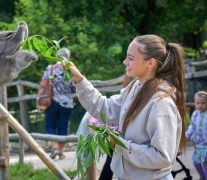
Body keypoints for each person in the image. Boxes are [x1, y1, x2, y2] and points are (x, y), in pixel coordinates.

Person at [64, 34, 187, 179]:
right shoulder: (135, 88)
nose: (124, 62)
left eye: (131, 58)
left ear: (150, 63)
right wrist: (79, 80)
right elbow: (105, 108)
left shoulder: (161, 104)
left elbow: (162, 157)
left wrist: (119, 144)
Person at [42, 47, 74, 160]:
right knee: (63, 128)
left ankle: (54, 148)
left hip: (52, 102)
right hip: (67, 103)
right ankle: (61, 152)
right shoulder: (71, 69)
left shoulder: (50, 68)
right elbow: (75, 86)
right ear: (68, 57)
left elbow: (43, 84)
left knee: (50, 126)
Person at [185, 91, 207, 180]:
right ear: (195, 104)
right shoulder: (195, 114)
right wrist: (187, 135)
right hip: (197, 144)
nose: (200, 105)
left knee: (206, 164)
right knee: (196, 163)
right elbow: (192, 126)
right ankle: (202, 176)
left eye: (203, 103)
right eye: (198, 103)